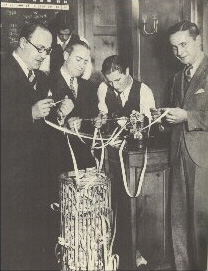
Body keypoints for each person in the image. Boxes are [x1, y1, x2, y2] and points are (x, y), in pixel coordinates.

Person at [1, 22, 73, 270]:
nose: (43, 55)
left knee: (39, 244)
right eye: (39, 48)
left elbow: (46, 128)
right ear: (22, 42)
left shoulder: (41, 78)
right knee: (14, 248)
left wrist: (59, 114)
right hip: (10, 181)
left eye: (48, 50)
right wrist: (28, 114)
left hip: (38, 180)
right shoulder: (3, 72)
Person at [163, 20, 208, 270]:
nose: (179, 52)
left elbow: (189, 115)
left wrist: (187, 117)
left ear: (198, 40)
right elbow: (175, 116)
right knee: (178, 223)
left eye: (184, 45)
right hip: (178, 155)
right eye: (174, 48)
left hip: (203, 161)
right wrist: (161, 120)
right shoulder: (177, 78)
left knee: (201, 226)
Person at [50, 40, 98, 173]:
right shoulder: (47, 82)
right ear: (66, 56)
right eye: (78, 59)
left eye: (85, 61)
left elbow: (92, 119)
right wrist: (62, 120)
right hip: (56, 160)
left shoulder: (89, 87)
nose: (82, 65)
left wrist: (97, 120)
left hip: (84, 161)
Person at [96, 55, 156, 132]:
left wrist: (140, 120)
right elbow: (102, 113)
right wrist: (100, 119)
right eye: (110, 81)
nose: (115, 86)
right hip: (110, 140)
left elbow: (150, 126)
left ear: (127, 71)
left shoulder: (144, 91)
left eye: (118, 80)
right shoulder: (103, 87)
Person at [40, 11, 92, 79]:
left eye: (67, 34)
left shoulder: (81, 41)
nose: (64, 37)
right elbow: (44, 68)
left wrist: (80, 84)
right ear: (56, 30)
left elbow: (87, 69)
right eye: (61, 34)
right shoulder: (48, 40)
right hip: (52, 82)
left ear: (72, 30)